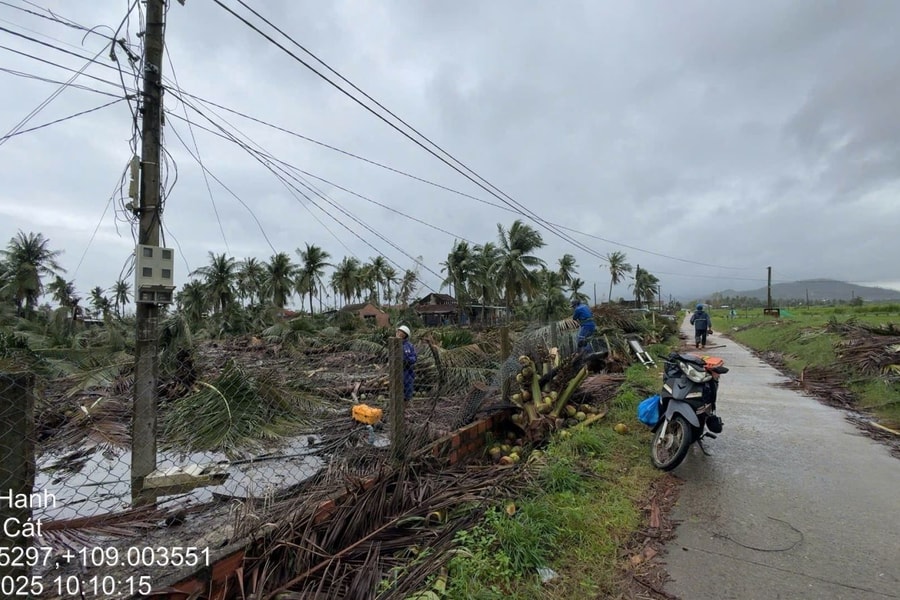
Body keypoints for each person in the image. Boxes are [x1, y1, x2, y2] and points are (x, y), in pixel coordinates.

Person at [396, 325, 417, 400]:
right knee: (397, 393)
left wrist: (407, 360)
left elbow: (414, 358)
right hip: (396, 372)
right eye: (398, 332)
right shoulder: (394, 344)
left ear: (405, 335)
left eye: (401, 333)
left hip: (408, 372)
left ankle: (406, 406)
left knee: (407, 393)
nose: (399, 334)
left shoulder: (409, 346)